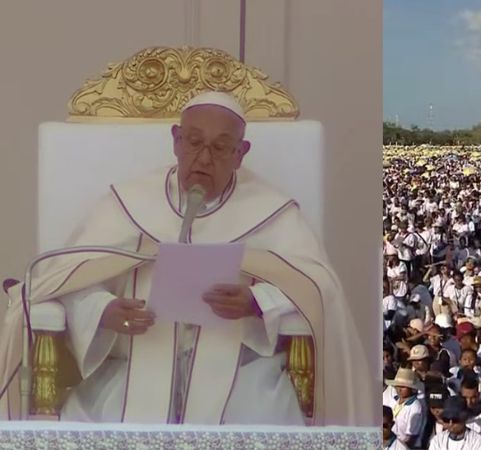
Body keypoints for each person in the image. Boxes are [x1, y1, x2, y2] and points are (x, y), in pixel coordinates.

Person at [0, 91, 374, 425]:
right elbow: (65, 280)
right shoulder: (128, 204)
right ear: (177, 141)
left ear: (241, 153)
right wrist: (105, 311)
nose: (204, 158)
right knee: (92, 423)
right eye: (194, 142)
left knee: (265, 419)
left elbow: (318, 287)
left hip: (240, 373)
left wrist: (258, 303)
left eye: (221, 147)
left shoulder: (272, 212)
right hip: (133, 367)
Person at [384, 368, 425, 447]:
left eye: (403, 387)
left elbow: (411, 437)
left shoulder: (415, 407)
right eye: (397, 386)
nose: (399, 389)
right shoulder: (394, 401)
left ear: (412, 388)